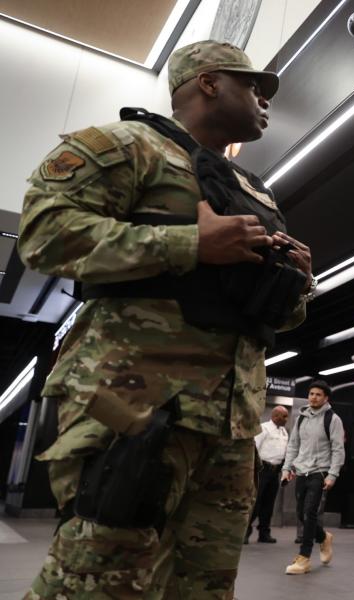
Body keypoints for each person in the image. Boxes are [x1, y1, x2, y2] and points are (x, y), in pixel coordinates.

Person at [17, 40, 311, 598]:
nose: (264, 100)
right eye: (253, 86)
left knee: (204, 587)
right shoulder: (123, 146)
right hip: (134, 406)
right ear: (207, 82)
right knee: (98, 579)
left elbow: (277, 315)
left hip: (230, 425)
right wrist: (191, 243)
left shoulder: (254, 190)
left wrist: (294, 283)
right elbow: (43, 236)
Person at [282, 380, 345, 574]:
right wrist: (287, 468)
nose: (314, 397)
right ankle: (324, 537)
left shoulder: (332, 419)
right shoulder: (301, 418)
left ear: (326, 398)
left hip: (320, 472)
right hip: (301, 471)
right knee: (302, 514)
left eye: (318, 394)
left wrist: (332, 474)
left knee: (310, 512)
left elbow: (338, 449)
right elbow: (293, 445)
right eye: (311, 394)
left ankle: (304, 558)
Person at [247, 405, 290, 544]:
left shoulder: (284, 431)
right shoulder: (264, 428)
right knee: (256, 502)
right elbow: (255, 448)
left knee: (269, 504)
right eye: (284, 416)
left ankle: (264, 533)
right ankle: (245, 533)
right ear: (275, 416)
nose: (286, 419)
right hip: (262, 469)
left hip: (275, 471)